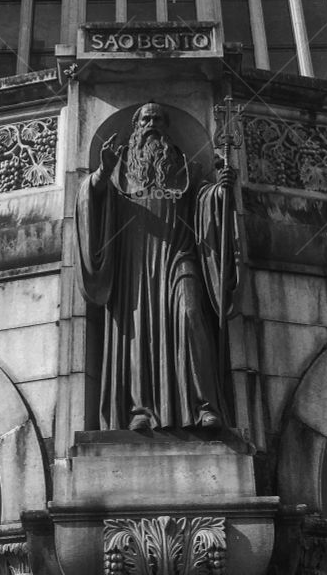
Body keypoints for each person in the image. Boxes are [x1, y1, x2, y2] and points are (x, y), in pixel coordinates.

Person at [75, 103, 237, 432]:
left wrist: (221, 191)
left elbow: (204, 200)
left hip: (179, 254)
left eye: (157, 119)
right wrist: (102, 174)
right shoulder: (118, 168)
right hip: (132, 264)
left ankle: (202, 405)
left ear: (167, 127)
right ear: (135, 127)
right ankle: (140, 410)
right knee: (135, 332)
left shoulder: (184, 167)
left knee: (190, 316)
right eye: (145, 119)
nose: (151, 123)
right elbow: (89, 201)